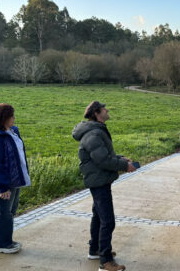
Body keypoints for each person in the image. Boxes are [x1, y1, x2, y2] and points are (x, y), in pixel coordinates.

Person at [72, 101, 136, 271]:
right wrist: (124, 166)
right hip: (99, 181)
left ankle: (95, 250)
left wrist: (121, 159)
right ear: (97, 113)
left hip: (100, 179)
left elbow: (103, 155)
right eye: (104, 108)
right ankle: (105, 262)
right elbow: (103, 160)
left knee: (99, 216)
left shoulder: (96, 131)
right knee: (108, 221)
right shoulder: (93, 134)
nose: (107, 110)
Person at [0, 103, 31, 254]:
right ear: (3, 118)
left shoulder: (13, 131)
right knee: (2, 212)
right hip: (2, 182)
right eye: (11, 116)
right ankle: (0, 244)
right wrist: (2, 187)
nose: (14, 119)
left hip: (14, 179)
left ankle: (5, 240)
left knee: (10, 211)